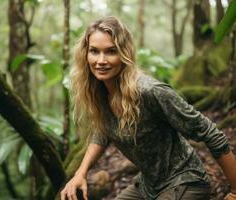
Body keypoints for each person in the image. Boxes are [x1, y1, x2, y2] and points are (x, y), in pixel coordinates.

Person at [60, 16, 236, 200]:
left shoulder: (150, 91)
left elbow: (210, 132)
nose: (101, 60)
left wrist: (234, 191)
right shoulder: (100, 92)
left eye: (111, 51)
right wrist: (80, 173)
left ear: (124, 54)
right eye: (94, 51)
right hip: (147, 186)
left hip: (185, 182)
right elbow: (102, 132)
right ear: (85, 54)